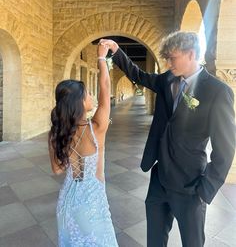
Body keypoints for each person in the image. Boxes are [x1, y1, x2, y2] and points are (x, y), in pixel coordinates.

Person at [100, 31, 236, 247]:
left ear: (191, 54)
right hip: (159, 179)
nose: (167, 62)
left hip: (190, 183)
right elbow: (139, 75)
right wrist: (116, 52)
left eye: (172, 58)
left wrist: (205, 188)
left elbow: (226, 148)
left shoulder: (218, 92)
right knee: (154, 241)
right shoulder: (167, 80)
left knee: (192, 243)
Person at [48, 43, 118, 246]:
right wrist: (101, 58)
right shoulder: (96, 128)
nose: (92, 96)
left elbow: (57, 169)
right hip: (91, 203)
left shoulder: (56, 133)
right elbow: (105, 86)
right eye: (88, 94)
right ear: (79, 102)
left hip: (67, 202)